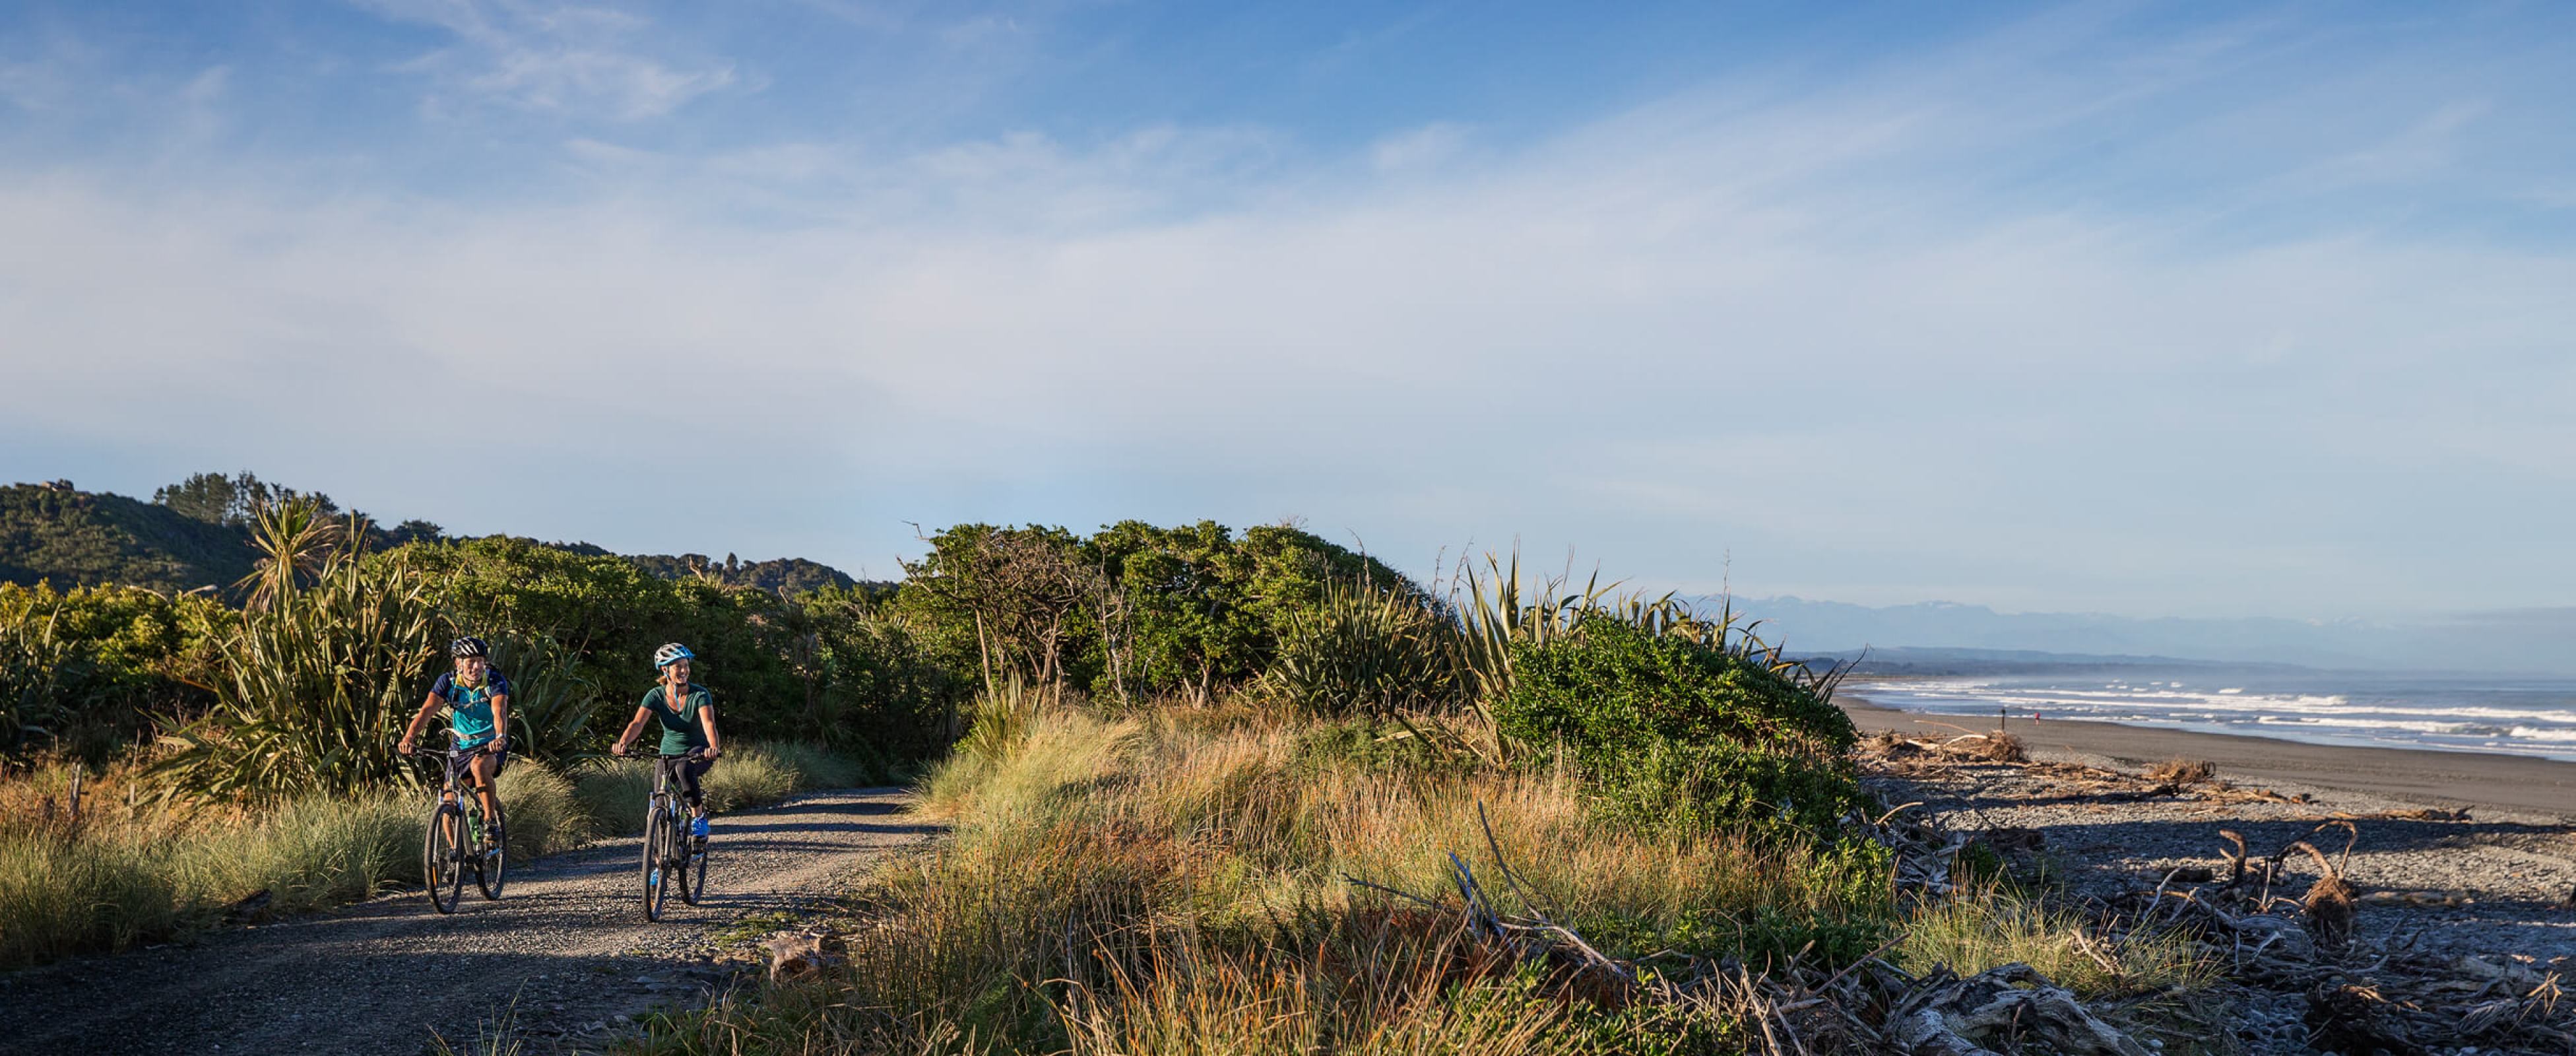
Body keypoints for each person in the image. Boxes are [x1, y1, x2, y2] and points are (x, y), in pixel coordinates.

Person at [399, 636, 512, 847]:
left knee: (479, 766)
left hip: (490, 744)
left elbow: (500, 710)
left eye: (480, 660)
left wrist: (499, 737)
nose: (477, 666)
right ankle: (456, 856)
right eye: (470, 661)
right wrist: (409, 738)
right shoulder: (448, 683)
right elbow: (427, 711)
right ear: (458, 663)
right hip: (460, 746)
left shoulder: (495, 681)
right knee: (447, 802)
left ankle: (490, 821)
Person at [611, 643, 724, 847]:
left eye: (686, 665)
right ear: (665, 670)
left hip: (697, 752)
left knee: (684, 768)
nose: (684, 671)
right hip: (667, 754)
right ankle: (656, 864)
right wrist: (623, 743)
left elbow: (709, 724)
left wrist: (713, 747)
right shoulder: (655, 695)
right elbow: (637, 724)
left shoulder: (699, 694)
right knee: (659, 806)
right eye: (678, 666)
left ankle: (699, 819)